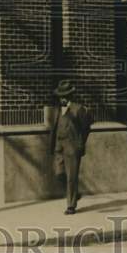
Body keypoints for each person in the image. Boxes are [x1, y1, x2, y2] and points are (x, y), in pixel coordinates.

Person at [48, 79, 92, 214]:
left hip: (72, 147)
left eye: (65, 96)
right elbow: (55, 127)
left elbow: (86, 128)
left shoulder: (78, 109)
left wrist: (80, 143)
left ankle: (71, 205)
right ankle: (75, 193)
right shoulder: (56, 109)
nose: (62, 98)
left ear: (70, 96)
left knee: (71, 177)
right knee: (59, 173)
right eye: (61, 96)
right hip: (59, 146)